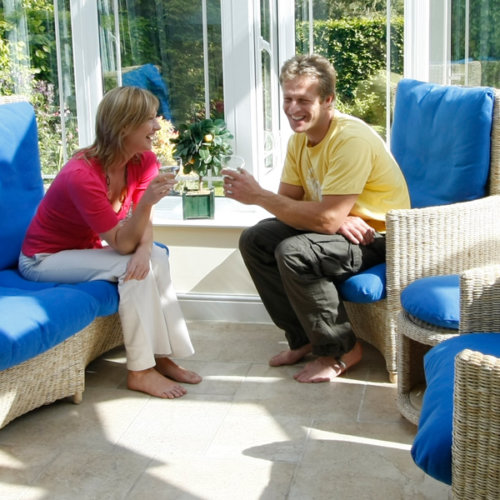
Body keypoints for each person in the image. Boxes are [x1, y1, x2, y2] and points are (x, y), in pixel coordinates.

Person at [221, 54, 410, 383]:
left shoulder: (350, 139)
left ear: (328, 100)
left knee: (295, 252)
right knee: (256, 239)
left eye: (303, 100)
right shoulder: (300, 139)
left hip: (379, 236)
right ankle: (304, 337)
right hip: (345, 229)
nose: (293, 108)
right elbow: (289, 204)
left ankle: (340, 350)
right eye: (288, 98)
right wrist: (334, 218)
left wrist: (326, 217)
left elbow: (310, 216)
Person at [18, 86, 202, 399]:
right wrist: (144, 209)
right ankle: (140, 371)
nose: (157, 126)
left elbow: (141, 228)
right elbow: (121, 242)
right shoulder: (81, 175)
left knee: (155, 257)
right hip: (43, 259)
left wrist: (145, 248)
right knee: (130, 266)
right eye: (148, 119)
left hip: (85, 250)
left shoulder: (142, 161)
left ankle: (161, 356)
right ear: (124, 127)